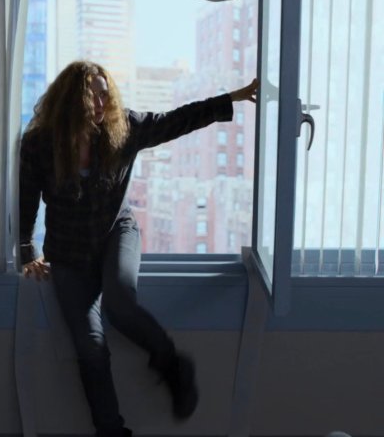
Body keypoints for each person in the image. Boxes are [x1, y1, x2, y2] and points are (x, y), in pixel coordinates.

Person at [18, 60, 258, 437]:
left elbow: (177, 119)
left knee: (120, 302)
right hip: (68, 252)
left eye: (104, 93)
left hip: (117, 232)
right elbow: (26, 198)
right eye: (91, 94)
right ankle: (111, 431)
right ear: (70, 99)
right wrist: (27, 251)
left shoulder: (122, 128)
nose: (100, 102)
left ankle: (172, 364)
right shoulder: (39, 144)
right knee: (90, 346)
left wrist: (231, 98)